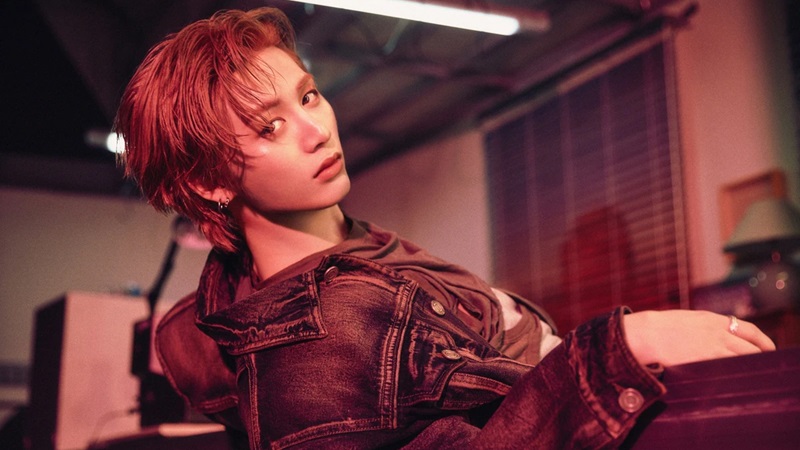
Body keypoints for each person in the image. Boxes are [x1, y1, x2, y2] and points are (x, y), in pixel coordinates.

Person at [114, 7, 775, 449]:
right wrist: (620, 347)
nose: (317, 130)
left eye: (309, 95)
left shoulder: (353, 251)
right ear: (210, 182)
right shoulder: (318, 345)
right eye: (270, 126)